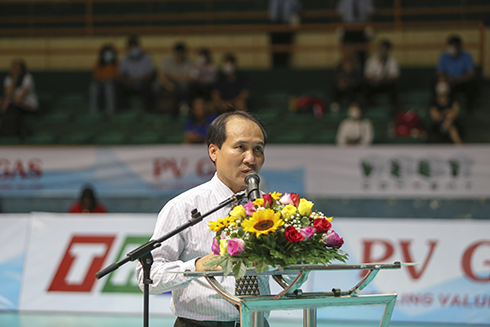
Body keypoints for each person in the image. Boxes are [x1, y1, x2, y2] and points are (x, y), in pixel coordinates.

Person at [136, 111, 269, 327]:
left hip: (256, 322)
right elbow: (147, 278)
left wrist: (293, 262)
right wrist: (196, 266)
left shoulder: (274, 210)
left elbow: (296, 279)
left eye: (258, 149)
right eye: (240, 147)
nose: (251, 158)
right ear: (214, 151)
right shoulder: (183, 208)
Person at [437, 35, 477, 114]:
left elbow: (471, 73)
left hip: (462, 82)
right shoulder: (444, 56)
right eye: (450, 46)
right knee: (437, 84)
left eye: (454, 46)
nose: (452, 48)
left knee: (473, 85)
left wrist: (457, 79)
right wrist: (447, 79)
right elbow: (440, 72)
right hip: (449, 82)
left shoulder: (466, 56)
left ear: (459, 47)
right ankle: (440, 108)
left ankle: (469, 110)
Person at [0, 58, 38, 137]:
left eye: (18, 68)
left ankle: (13, 133)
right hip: (13, 104)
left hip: (28, 104)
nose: (16, 70)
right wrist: (14, 79)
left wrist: (8, 100)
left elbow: (20, 97)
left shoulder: (27, 78)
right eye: (14, 68)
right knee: (9, 107)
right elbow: (8, 94)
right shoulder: (9, 78)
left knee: (11, 108)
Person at [117, 35, 155, 112]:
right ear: (128, 48)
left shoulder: (146, 58)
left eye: (135, 47)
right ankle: (123, 111)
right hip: (129, 84)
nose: (134, 49)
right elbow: (120, 74)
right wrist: (126, 80)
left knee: (149, 86)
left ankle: (147, 111)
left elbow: (150, 74)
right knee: (118, 85)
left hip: (142, 83)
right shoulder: (125, 59)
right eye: (131, 47)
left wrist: (137, 79)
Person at [157, 42, 193, 118]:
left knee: (185, 86)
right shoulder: (167, 61)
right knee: (156, 86)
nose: (179, 55)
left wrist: (171, 76)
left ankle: (184, 105)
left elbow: (188, 77)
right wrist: (168, 84)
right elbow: (161, 75)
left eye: (181, 53)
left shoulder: (188, 62)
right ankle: (156, 107)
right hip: (169, 83)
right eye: (178, 53)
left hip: (181, 83)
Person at [364, 39, 399, 116]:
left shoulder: (392, 61)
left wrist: (385, 79)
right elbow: (367, 76)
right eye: (382, 48)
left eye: (385, 49)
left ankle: (393, 108)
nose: (383, 51)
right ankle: (368, 108)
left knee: (394, 87)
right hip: (374, 85)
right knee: (365, 87)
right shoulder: (371, 60)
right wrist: (375, 80)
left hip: (386, 85)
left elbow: (395, 76)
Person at [336, 0, 375, 68]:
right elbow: (340, 14)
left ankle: (362, 70)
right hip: (348, 27)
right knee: (346, 51)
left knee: (362, 52)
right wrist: (342, 26)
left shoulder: (366, 1)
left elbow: (369, 13)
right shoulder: (344, 1)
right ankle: (347, 71)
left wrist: (368, 26)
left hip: (361, 27)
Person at [428, 78, 463, 144]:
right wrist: (445, 113)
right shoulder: (433, 102)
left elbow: (454, 113)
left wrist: (447, 118)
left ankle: (445, 128)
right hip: (438, 126)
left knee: (450, 124)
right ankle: (459, 143)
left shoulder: (453, 100)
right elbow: (435, 117)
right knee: (449, 127)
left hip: (452, 123)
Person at [330, 45, 364, 112]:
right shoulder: (339, 66)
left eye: (348, 52)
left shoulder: (357, 66)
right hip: (341, 88)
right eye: (344, 53)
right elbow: (336, 77)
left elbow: (359, 79)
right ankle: (335, 105)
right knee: (334, 88)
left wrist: (348, 82)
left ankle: (354, 106)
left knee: (356, 90)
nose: (346, 55)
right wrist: (340, 83)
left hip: (353, 88)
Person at [89, 43, 119, 114]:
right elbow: (96, 76)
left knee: (109, 87)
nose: (108, 55)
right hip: (100, 84)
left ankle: (111, 111)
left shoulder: (116, 65)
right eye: (106, 54)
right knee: (93, 87)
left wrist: (107, 78)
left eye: (110, 53)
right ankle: (93, 111)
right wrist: (104, 78)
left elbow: (116, 76)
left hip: (112, 84)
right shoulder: (98, 65)